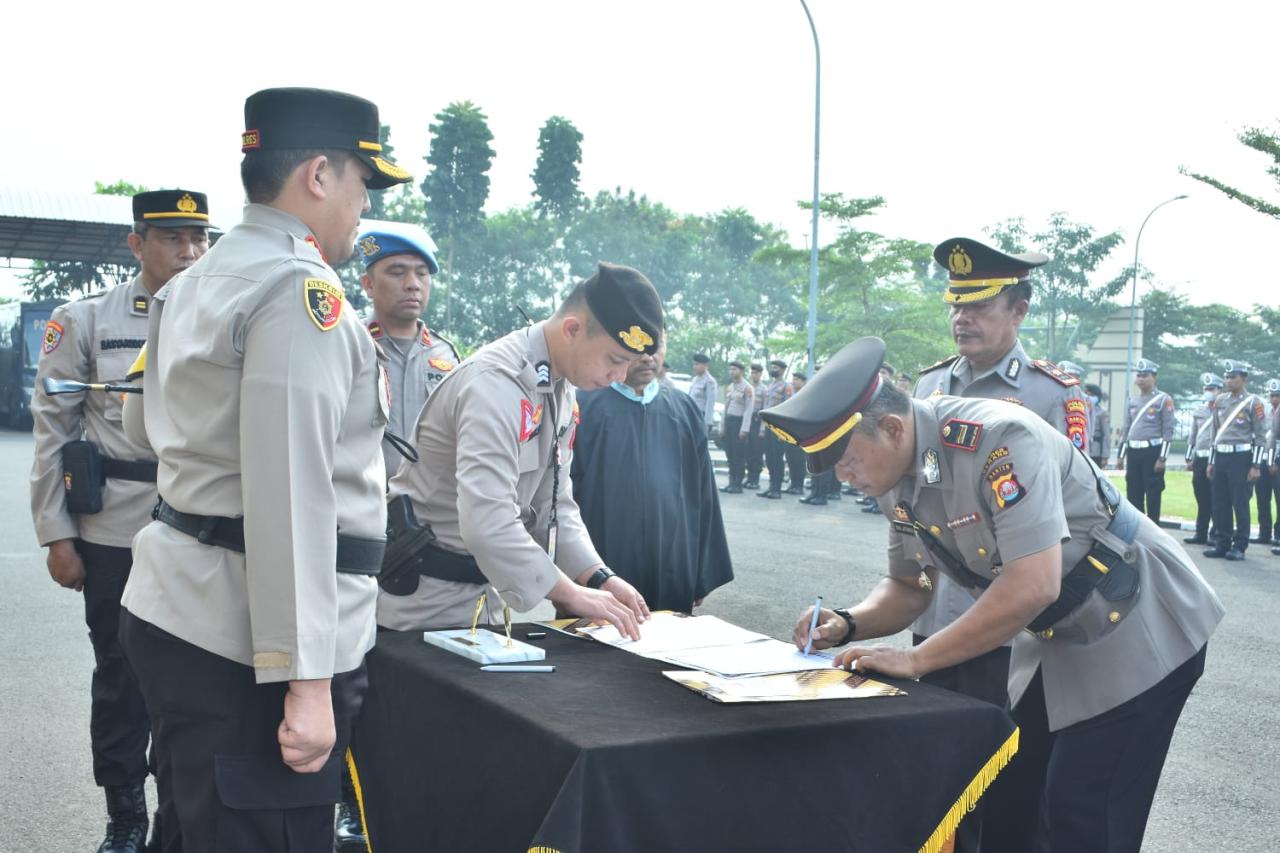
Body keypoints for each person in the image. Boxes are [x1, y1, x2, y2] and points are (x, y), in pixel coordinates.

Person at [769, 336, 1222, 853]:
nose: (847, 480)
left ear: (892, 428)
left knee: (1086, 812)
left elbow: (1031, 585)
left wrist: (915, 658)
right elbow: (909, 585)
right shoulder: (897, 471)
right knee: (1010, 795)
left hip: (1138, 619)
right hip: (1061, 631)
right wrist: (847, 623)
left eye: (847, 463)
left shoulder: (1000, 440)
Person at [117, 87, 413, 853]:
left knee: (191, 826)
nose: (360, 207)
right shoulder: (298, 291)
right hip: (251, 651)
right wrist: (307, 682)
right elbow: (291, 495)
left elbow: (137, 421)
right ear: (319, 174)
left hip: (183, 609)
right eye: (361, 183)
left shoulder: (191, 282)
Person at [29, 189, 212, 853]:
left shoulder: (226, 317)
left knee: (195, 682)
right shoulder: (86, 320)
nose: (190, 252)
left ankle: (181, 814)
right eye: (173, 238)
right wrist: (57, 533)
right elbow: (53, 430)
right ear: (137, 244)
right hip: (115, 532)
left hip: (201, 530)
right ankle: (126, 817)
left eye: (200, 238)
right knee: (121, 677)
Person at [903, 236, 1090, 850]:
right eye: (957, 304)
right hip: (933, 620)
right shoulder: (924, 391)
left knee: (1005, 792)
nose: (963, 317)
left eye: (980, 305)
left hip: (1014, 636)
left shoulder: (1053, 396)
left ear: (1020, 310)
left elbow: (1069, 528)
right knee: (932, 788)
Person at [375, 261, 659, 636]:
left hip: (479, 600)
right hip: (423, 606)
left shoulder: (559, 386)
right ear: (572, 329)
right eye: (615, 360)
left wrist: (599, 577)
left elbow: (553, 504)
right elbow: (488, 522)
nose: (619, 377)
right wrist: (571, 594)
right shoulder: (497, 385)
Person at [571, 338, 734, 611]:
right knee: (594, 646)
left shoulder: (683, 409)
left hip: (673, 563)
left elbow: (703, 492)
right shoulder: (582, 406)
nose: (648, 357)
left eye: (655, 347)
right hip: (602, 562)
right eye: (639, 348)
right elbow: (560, 494)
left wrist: (701, 572)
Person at [356, 224, 460, 479]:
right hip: (362, 505)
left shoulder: (446, 356)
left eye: (422, 274)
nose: (413, 284)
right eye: (397, 272)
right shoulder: (351, 343)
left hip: (428, 509)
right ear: (369, 285)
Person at [1204, 360, 1267, 560]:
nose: (1229, 380)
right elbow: (1215, 433)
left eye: (1233, 377)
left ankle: (1240, 545)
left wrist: (1256, 465)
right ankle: (1222, 543)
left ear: (1244, 378)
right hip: (1221, 456)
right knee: (1220, 502)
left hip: (1241, 457)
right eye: (1227, 377)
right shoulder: (1220, 400)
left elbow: (1260, 436)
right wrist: (1211, 461)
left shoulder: (1253, 402)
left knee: (1239, 502)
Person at [1117, 358, 1175, 523]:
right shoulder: (1132, 400)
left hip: (1153, 451)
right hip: (1134, 452)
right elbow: (1126, 429)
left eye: (1145, 375)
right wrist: (1121, 456)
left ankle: (1153, 527)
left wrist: (1162, 458)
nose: (1141, 379)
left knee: (1153, 492)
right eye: (1139, 375)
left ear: (1154, 377)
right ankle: (1137, 528)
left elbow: (1168, 430)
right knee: (1133, 491)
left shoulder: (1164, 399)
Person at [1184, 373, 1224, 545]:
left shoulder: (1224, 410)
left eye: (1212, 389)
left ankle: (1216, 534)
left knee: (1217, 498)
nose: (1208, 392)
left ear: (1219, 390)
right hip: (1199, 458)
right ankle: (1200, 533)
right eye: (1206, 389)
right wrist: (1189, 457)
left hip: (1216, 459)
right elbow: (1193, 435)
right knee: (1201, 497)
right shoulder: (1199, 411)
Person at [756, 359, 793, 499]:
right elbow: (765, 409)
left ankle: (776, 489)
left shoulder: (786, 387)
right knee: (770, 459)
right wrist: (761, 428)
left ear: (783, 370)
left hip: (778, 428)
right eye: (772, 367)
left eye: (776, 367)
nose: (773, 369)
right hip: (767, 426)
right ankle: (771, 486)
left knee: (777, 459)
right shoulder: (770, 386)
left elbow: (789, 409)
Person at [1252, 378, 1280, 546]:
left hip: (1277, 461)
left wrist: (1272, 463)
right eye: (1272, 396)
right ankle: (1264, 532)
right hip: (1263, 461)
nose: (1274, 399)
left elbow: (1275, 440)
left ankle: (1278, 535)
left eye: (1277, 396)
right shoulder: (1265, 414)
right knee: (1262, 499)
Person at [719, 360, 753, 493]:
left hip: (739, 423)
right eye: (730, 369)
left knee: (738, 456)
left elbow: (748, 410)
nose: (732, 372)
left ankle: (737, 484)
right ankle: (731, 482)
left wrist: (744, 429)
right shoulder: (730, 387)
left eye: (734, 369)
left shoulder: (747, 388)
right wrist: (722, 426)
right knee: (730, 454)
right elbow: (725, 408)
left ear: (741, 371)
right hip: (729, 422)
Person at [744, 363, 766, 489]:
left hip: (758, 421)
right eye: (752, 372)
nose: (754, 375)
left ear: (760, 374)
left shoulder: (764, 389)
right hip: (748, 420)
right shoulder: (748, 387)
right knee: (748, 451)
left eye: (756, 373)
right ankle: (749, 477)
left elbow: (765, 409)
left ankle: (755, 479)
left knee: (756, 452)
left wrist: (762, 428)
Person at [688, 353, 718, 438]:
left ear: (705, 365)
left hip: (701, 415)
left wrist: (707, 423)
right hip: (691, 414)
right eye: (694, 364)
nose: (694, 366)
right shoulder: (695, 379)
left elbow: (710, 403)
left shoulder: (710, 381)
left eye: (697, 364)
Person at [1084, 382, 1111, 469]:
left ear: (1097, 397)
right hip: (1083, 449)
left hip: (1096, 451)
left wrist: (1105, 455)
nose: (1088, 397)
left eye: (1091, 395)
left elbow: (1106, 435)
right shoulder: (1081, 409)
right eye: (1086, 394)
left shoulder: (1102, 412)